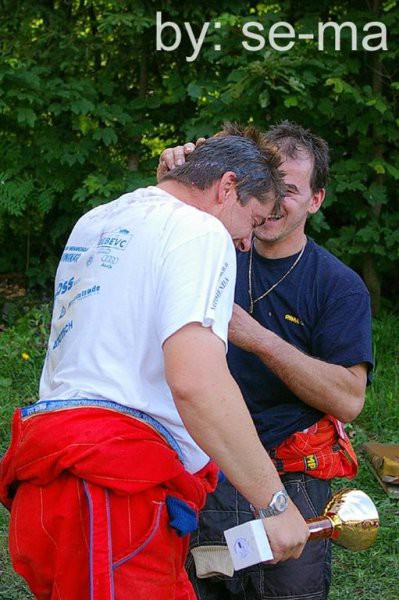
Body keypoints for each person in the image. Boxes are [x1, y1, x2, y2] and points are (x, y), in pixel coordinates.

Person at [0, 131, 310, 600]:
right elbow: (196, 382)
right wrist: (274, 503)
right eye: (253, 218)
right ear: (227, 187)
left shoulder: (98, 219)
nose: (246, 241)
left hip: (49, 479)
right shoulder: (201, 230)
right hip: (115, 490)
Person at [158, 121, 373, 600]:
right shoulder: (207, 250)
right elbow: (156, 231)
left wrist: (260, 339)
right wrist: (170, 186)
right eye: (269, 186)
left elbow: (349, 400)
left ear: (316, 200)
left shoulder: (338, 286)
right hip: (208, 461)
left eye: (292, 190)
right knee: (205, 585)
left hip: (293, 473)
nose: (275, 201)